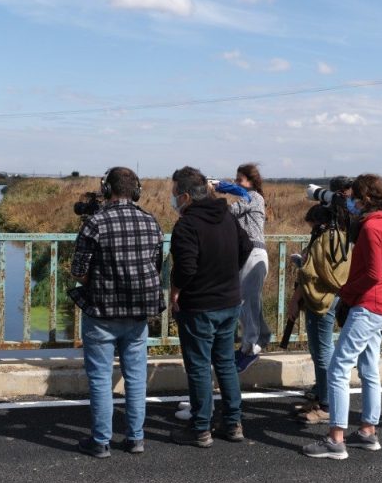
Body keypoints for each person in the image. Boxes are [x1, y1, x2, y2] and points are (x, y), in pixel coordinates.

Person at [302, 174, 382, 460]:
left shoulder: (370, 229)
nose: (351, 203)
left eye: (353, 197)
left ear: (365, 198)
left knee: (338, 368)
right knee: (369, 369)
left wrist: (346, 293)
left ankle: (336, 439)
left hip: (366, 307)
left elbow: (371, 274)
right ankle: (368, 431)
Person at [69, 167, 164, 458]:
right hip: (138, 314)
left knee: (100, 378)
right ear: (135, 191)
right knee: (135, 378)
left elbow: (79, 271)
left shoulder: (95, 223)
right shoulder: (151, 221)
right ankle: (135, 439)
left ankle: (101, 442)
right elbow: (155, 266)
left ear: (107, 190)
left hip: (102, 312)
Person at [169, 166, 252, 447]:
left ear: (186, 196)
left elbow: (186, 266)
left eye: (174, 195)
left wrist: (176, 290)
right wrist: (229, 274)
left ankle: (201, 428)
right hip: (229, 301)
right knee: (225, 363)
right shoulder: (226, 216)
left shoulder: (187, 225)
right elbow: (247, 246)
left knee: (200, 367)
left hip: (199, 305)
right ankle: (233, 423)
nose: (173, 200)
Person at [286, 205, 351, 424]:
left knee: (322, 352)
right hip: (332, 298)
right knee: (322, 350)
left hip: (319, 300)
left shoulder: (324, 239)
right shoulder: (342, 238)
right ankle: (322, 399)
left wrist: (301, 264)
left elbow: (311, 273)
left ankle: (327, 405)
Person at [215, 163, 271, 373]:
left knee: (246, 302)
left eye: (240, 180)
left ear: (251, 181)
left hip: (253, 255)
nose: (237, 183)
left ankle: (250, 349)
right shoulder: (250, 198)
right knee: (249, 302)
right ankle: (258, 338)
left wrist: (222, 189)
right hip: (248, 255)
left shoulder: (254, 197)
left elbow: (232, 210)